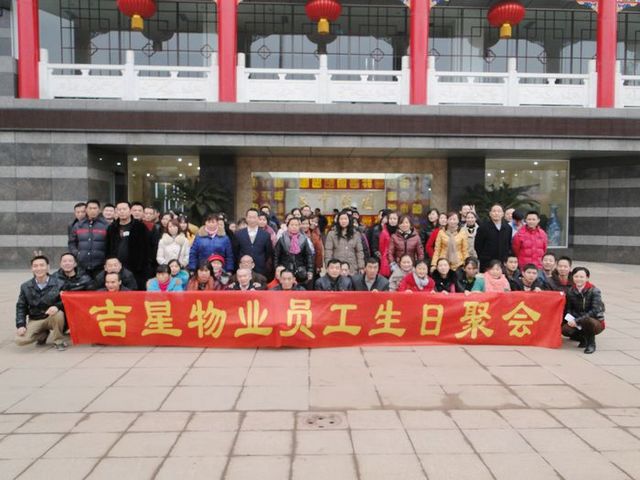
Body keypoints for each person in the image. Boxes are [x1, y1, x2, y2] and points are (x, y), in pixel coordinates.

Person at [15, 255, 67, 351]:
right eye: (35, 266)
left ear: (48, 267)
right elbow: (21, 306)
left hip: (52, 318)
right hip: (36, 318)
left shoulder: (60, 283)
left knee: (59, 314)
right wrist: (21, 324)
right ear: (32, 268)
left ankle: (58, 341)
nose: (39, 268)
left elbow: (66, 301)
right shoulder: (25, 286)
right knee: (19, 340)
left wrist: (57, 306)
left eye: (42, 265)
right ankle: (42, 334)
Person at [106, 201, 151, 290]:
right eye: (119, 209)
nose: (122, 211)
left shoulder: (140, 227)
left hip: (136, 268)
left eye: (124, 209)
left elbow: (147, 248)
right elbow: (108, 247)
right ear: (116, 211)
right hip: (116, 268)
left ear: (130, 211)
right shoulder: (112, 228)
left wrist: (143, 265)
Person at [563, 267, 605, 354]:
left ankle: (591, 343)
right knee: (565, 330)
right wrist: (571, 319)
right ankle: (583, 338)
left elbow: (595, 310)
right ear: (572, 277)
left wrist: (577, 320)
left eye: (581, 277)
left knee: (587, 321)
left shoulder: (594, 291)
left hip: (594, 321)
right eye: (576, 276)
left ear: (587, 278)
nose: (578, 279)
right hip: (577, 320)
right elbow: (569, 308)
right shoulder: (570, 291)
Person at [68, 199, 109, 277]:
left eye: (95, 208)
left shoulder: (106, 225)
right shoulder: (78, 225)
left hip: (100, 265)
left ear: (99, 210)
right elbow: (72, 243)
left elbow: (110, 244)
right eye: (90, 208)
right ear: (86, 210)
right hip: (82, 264)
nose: (92, 211)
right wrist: (77, 254)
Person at [274, 217, 314, 285]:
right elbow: (276, 256)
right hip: (285, 270)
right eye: (292, 225)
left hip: (300, 271)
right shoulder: (282, 239)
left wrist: (310, 270)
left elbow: (309, 256)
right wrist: (277, 268)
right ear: (288, 226)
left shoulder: (304, 239)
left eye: (296, 225)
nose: (294, 227)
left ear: (299, 226)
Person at [235, 208, 274, 279]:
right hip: (243, 268)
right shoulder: (239, 234)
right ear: (246, 218)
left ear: (258, 218)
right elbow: (236, 251)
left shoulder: (265, 235)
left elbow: (268, 252)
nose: (252, 220)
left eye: (254, 217)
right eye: (250, 217)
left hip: (260, 268)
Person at [324, 209, 365, 275]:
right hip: (337, 267)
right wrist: (328, 266)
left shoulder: (356, 234)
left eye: (345, 219)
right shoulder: (332, 234)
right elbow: (328, 251)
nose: (343, 221)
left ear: (349, 220)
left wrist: (361, 267)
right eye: (341, 219)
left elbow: (359, 251)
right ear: (338, 221)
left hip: (352, 267)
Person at [474, 204, 512, 272]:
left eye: (499, 211)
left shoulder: (508, 228)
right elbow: (478, 245)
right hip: (487, 262)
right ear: (490, 213)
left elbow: (508, 244)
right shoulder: (483, 228)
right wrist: (483, 257)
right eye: (494, 211)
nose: (496, 213)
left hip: (502, 261)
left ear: (503, 214)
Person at [378, 211, 398, 278]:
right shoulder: (384, 232)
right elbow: (381, 248)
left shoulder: (399, 231)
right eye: (390, 218)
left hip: (398, 258)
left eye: (394, 219)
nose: (392, 220)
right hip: (386, 259)